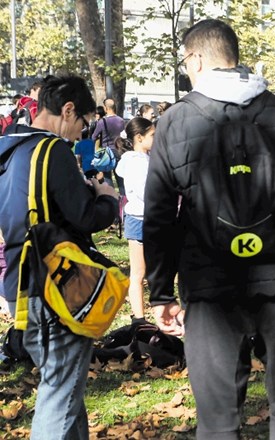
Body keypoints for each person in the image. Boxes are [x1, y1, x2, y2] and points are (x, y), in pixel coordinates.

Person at [143, 19, 275, 439]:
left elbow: (158, 215)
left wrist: (159, 290)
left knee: (218, 417)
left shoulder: (176, 120)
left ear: (196, 60)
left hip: (208, 286)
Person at [0, 74, 119, 439]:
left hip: (20, 280)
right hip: (56, 285)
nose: (81, 133)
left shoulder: (10, 149)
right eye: (83, 124)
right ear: (68, 111)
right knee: (59, 393)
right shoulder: (52, 151)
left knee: (65, 388)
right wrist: (107, 199)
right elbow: (84, 216)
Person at [114, 117, 155, 322]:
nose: (156, 139)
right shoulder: (137, 163)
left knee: (146, 272)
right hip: (141, 219)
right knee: (139, 273)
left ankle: (148, 316)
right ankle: (139, 319)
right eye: (152, 135)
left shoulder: (138, 160)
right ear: (139, 137)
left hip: (141, 218)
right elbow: (144, 193)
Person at [92, 97, 126, 190]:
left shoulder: (102, 122)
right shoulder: (121, 120)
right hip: (118, 151)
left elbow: (93, 137)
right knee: (120, 177)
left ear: (106, 108)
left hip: (106, 153)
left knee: (107, 177)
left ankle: (111, 198)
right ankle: (123, 198)